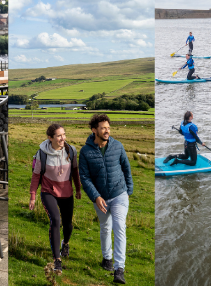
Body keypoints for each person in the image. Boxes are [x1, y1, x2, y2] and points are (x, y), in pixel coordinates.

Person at [78, 114, 133, 284]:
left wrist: (128, 190)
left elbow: (126, 167)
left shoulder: (117, 146)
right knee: (105, 227)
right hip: (100, 198)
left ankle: (119, 269)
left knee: (119, 227)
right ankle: (106, 258)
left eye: (108, 127)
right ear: (94, 130)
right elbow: (85, 178)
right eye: (103, 128)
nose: (107, 130)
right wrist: (96, 197)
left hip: (119, 194)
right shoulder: (85, 152)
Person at [29, 123, 82, 274]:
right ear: (50, 138)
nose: (62, 138)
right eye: (59, 136)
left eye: (64, 134)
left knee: (68, 224)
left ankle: (66, 243)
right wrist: (33, 196)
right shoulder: (42, 154)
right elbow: (36, 176)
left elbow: (75, 172)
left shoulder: (71, 151)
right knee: (56, 220)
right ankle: (57, 260)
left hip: (67, 192)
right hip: (48, 191)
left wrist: (78, 188)